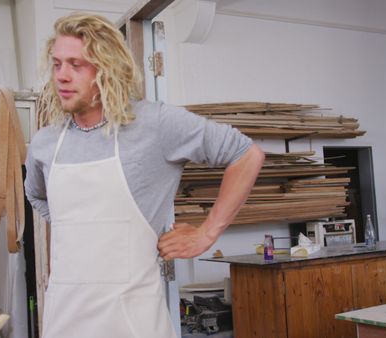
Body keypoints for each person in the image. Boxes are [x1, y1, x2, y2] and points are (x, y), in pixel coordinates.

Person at [24, 12, 264, 338]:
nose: (62, 76)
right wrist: (80, 234)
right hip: (64, 320)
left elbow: (246, 155)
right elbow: (38, 195)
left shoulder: (154, 125)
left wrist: (206, 233)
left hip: (132, 324)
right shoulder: (45, 143)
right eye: (57, 64)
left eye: (76, 65)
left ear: (107, 67)